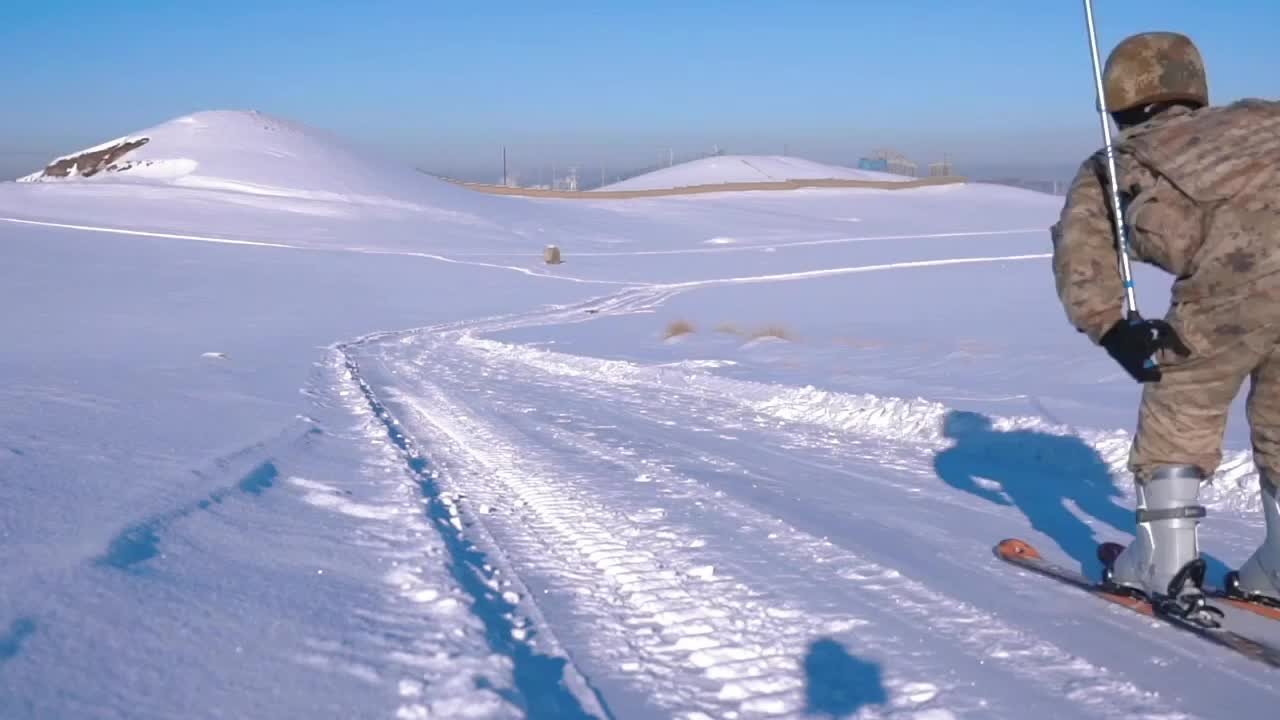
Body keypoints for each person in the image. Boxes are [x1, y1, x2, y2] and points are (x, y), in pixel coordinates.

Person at [1050, 31, 1280, 606]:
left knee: (1181, 401)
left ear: (1118, 97)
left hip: (1233, 291)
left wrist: (1112, 328)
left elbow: (1083, 255)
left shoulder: (1119, 158)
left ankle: (1165, 561)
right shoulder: (1265, 118)